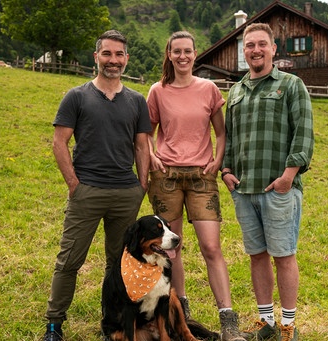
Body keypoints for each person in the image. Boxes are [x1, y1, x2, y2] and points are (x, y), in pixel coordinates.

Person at [43, 30, 151, 341]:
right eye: (107, 54)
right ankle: (54, 325)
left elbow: (142, 146)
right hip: (87, 191)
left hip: (125, 194)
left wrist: (141, 185)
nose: (113, 60)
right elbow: (59, 142)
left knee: (119, 264)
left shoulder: (136, 100)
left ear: (126, 59)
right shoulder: (76, 97)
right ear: (96, 57)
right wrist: (73, 183)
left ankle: (113, 324)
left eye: (119, 55)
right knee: (69, 261)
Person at [146, 31, 246, 341]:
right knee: (171, 250)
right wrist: (152, 157)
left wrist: (217, 161)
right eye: (177, 51)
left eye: (187, 51)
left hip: (202, 177)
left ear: (194, 53)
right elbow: (146, 133)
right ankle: (180, 314)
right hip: (167, 178)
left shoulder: (209, 89)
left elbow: (221, 132)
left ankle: (228, 320)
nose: (183, 56)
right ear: (170, 54)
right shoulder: (157, 91)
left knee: (211, 247)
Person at [221, 23, 314, 341]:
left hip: (279, 188)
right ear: (243, 51)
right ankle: (266, 322)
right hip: (244, 189)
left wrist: (289, 177)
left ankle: (288, 325)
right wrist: (226, 171)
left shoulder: (291, 85)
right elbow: (229, 138)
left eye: (262, 44)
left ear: (274, 49)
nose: (255, 50)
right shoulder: (235, 91)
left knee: (284, 254)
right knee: (257, 255)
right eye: (249, 45)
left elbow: (303, 132)